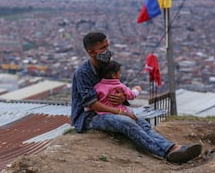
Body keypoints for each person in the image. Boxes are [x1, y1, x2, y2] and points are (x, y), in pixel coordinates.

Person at [71, 32, 202, 163]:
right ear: (91, 52)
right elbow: (92, 104)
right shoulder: (83, 73)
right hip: (89, 117)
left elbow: (117, 87)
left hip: (110, 110)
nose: (107, 51)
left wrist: (122, 98)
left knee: (141, 122)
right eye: (102, 49)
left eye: (107, 46)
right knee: (126, 122)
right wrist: (121, 112)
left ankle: (173, 147)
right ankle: (166, 153)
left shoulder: (106, 65)